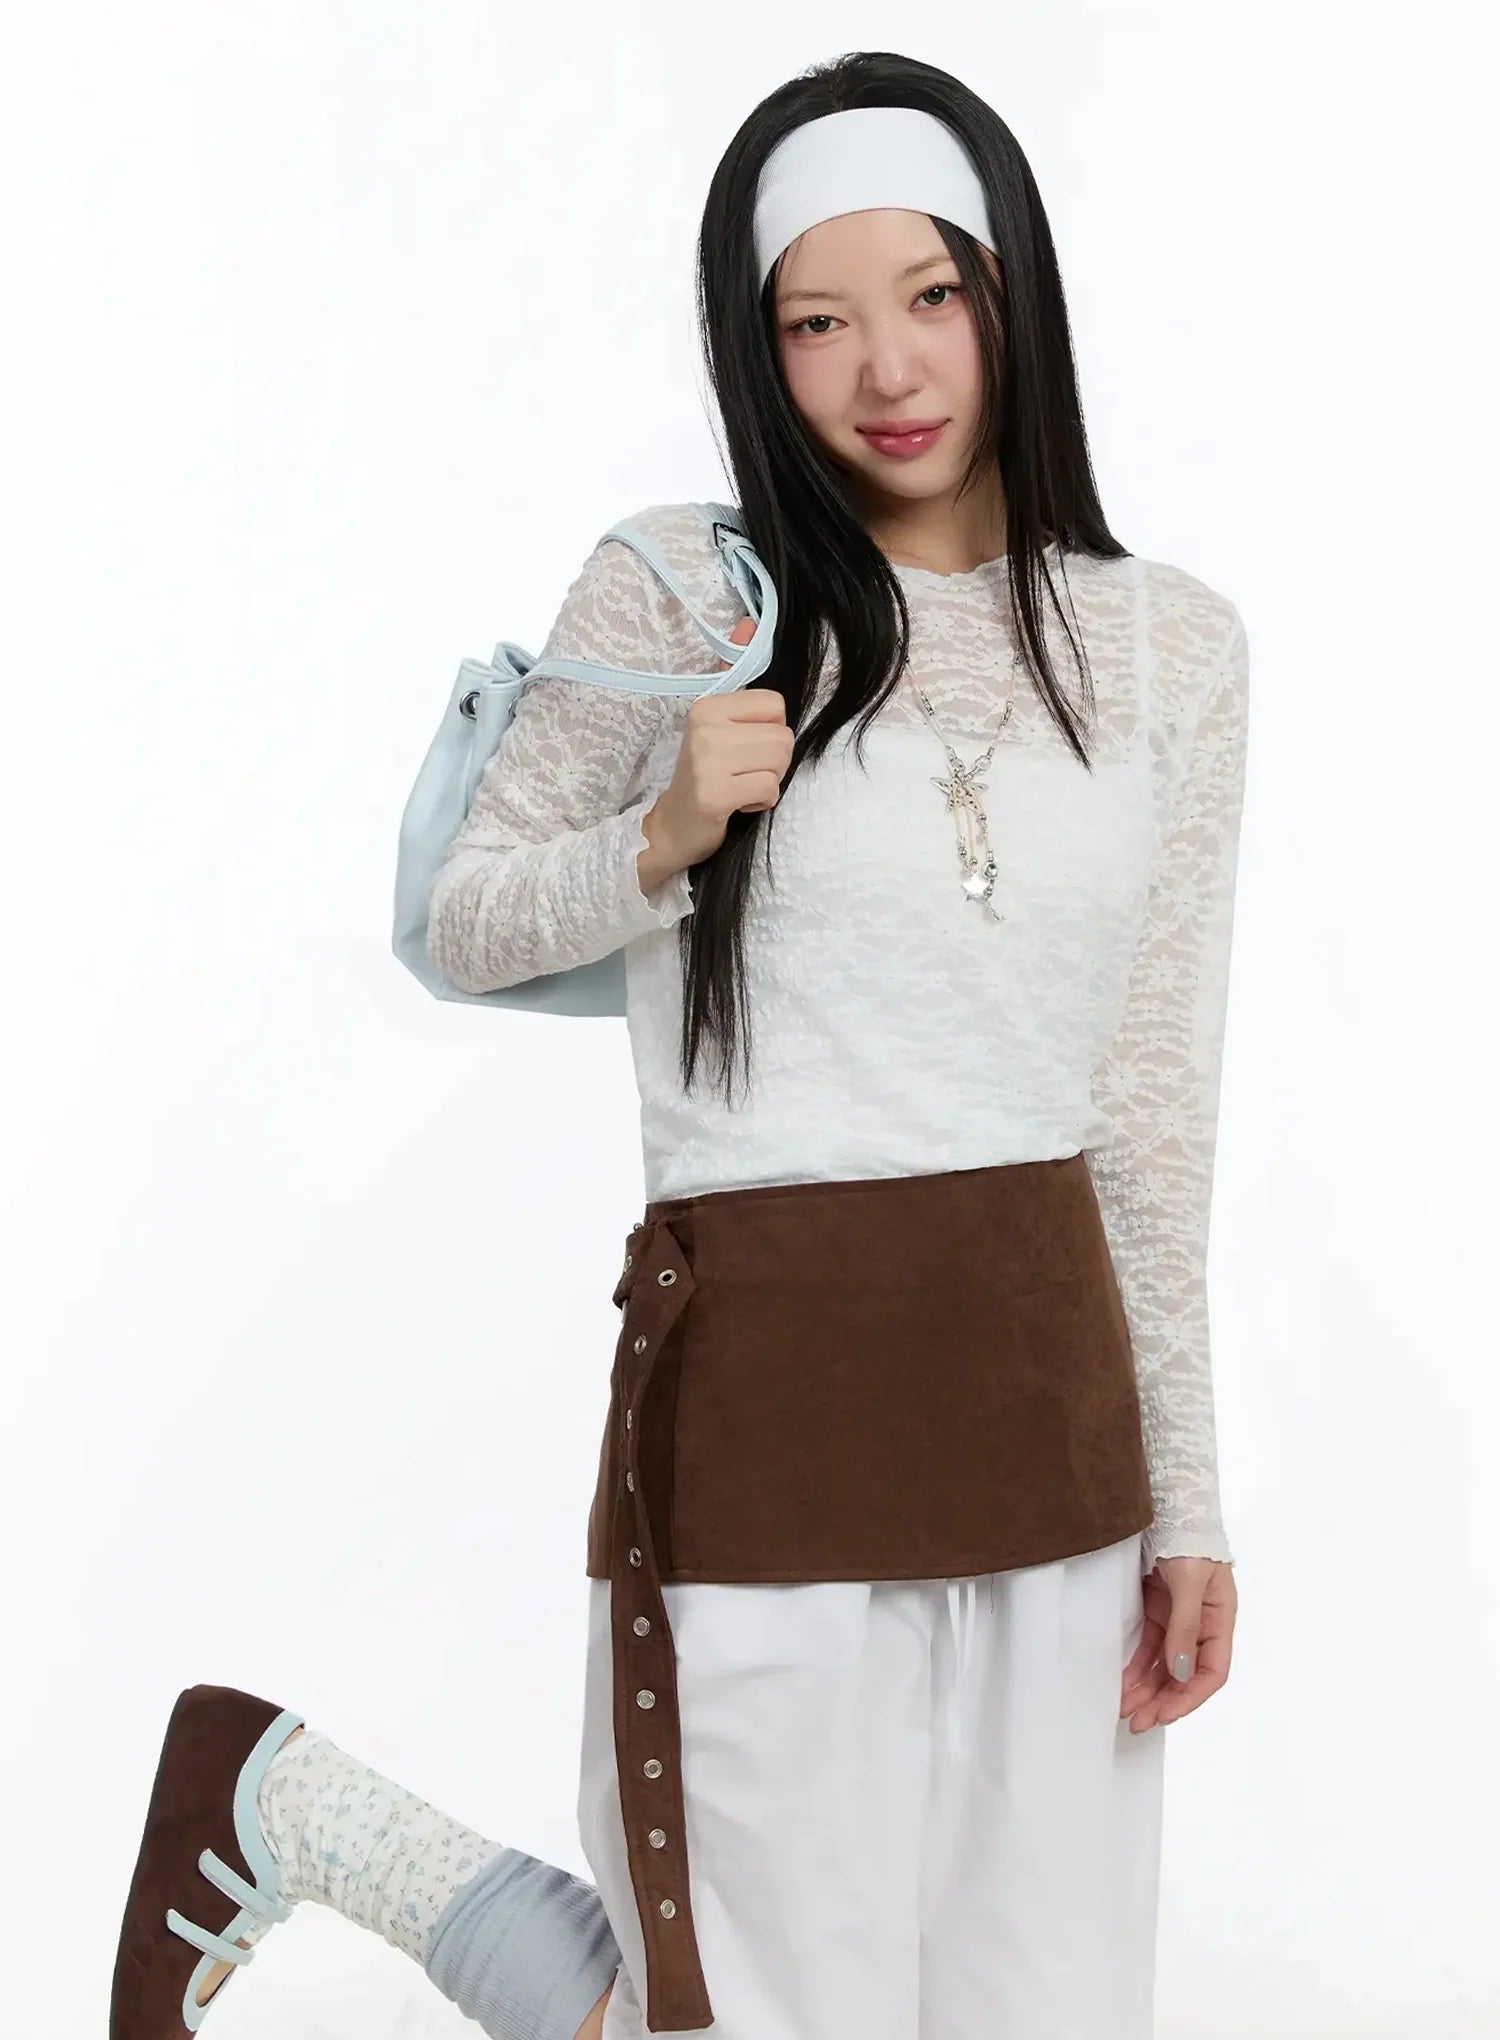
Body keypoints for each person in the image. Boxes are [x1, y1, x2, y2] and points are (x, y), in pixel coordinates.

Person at [111, 46, 1248, 2040]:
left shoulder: (1169, 646)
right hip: (771, 1401)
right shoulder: (688, 594)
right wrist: (660, 839)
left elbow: (1153, 1104)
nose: (886, 370)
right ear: (756, 345)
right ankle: (292, 1815)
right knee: (746, 2008)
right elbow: (464, 918)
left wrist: (1193, 1499)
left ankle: (297, 1815)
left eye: (934, 295)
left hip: (1050, 1409)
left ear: (1015, 295)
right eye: (817, 321)